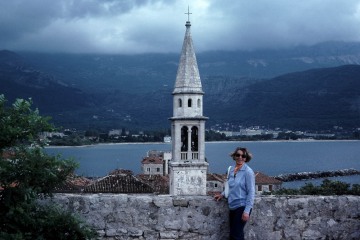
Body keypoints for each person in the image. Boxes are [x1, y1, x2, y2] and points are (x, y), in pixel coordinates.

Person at [214, 147, 255, 240]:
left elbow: (251, 192)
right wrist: (222, 194)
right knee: (235, 235)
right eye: (238, 155)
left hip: (242, 206)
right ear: (234, 156)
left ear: (246, 158)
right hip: (232, 206)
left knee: (236, 236)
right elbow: (231, 187)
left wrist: (247, 211)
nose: (240, 157)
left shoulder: (248, 172)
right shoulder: (231, 169)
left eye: (243, 156)